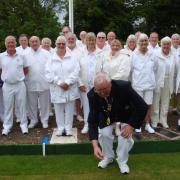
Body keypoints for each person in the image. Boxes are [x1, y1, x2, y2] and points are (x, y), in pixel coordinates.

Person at [88, 72, 148, 174]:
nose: (102, 93)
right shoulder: (92, 95)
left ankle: (122, 161)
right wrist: (95, 146)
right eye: (99, 90)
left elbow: (142, 106)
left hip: (125, 115)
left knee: (124, 134)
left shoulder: (124, 87)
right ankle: (108, 157)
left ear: (110, 84)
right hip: (107, 117)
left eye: (104, 89)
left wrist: (132, 125)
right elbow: (92, 120)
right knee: (104, 133)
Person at [45, 36, 80, 136]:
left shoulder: (72, 57)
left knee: (69, 109)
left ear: (66, 45)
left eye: (63, 44)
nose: (61, 45)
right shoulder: (51, 58)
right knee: (58, 109)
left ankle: (68, 128)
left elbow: (76, 71)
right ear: (55, 45)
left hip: (70, 87)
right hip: (57, 88)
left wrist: (68, 82)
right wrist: (59, 82)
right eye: (59, 44)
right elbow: (48, 73)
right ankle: (60, 128)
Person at [0, 36, 29, 135]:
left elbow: (26, 70)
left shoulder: (21, 56)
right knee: (8, 107)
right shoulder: (1, 56)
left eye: (12, 42)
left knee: (22, 106)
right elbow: (0, 70)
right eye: (9, 42)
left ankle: (23, 125)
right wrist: (6, 77)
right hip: (7, 85)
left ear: (15, 43)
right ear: (5, 44)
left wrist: (19, 77)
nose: (11, 44)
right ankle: (7, 126)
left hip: (20, 84)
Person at [102, 39, 131, 136]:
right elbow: (104, 70)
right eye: (113, 45)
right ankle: (110, 124)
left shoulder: (125, 57)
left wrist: (110, 81)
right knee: (109, 106)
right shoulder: (107, 57)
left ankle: (118, 126)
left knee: (119, 107)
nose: (115, 47)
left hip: (119, 86)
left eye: (117, 45)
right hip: (108, 86)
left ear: (120, 46)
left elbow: (123, 73)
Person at [131, 33, 156, 134]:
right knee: (138, 105)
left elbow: (155, 68)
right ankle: (137, 124)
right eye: (141, 41)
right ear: (138, 42)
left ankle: (147, 124)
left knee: (148, 105)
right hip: (138, 84)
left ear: (148, 41)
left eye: (145, 40)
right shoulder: (134, 54)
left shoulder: (152, 53)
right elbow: (131, 69)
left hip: (149, 84)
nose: (144, 43)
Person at [25, 36, 50, 129]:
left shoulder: (46, 54)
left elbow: (50, 68)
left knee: (45, 104)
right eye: (32, 41)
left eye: (36, 41)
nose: (34, 43)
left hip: (44, 82)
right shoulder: (25, 54)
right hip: (30, 82)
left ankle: (44, 120)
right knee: (31, 103)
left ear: (39, 42)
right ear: (29, 43)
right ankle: (33, 120)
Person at [151, 37, 176, 128]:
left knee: (165, 102)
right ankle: (155, 120)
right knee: (156, 101)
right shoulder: (156, 55)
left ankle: (163, 120)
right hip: (158, 81)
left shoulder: (173, 56)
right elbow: (152, 70)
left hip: (168, 81)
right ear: (161, 45)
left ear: (170, 45)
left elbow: (175, 70)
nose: (166, 46)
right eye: (164, 44)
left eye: (168, 44)